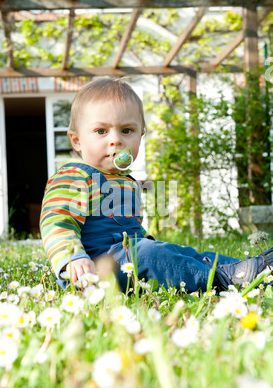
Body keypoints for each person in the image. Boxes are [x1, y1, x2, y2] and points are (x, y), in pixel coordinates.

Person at [40, 77, 273, 293]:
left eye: (127, 130)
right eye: (101, 131)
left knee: (180, 252)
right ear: (77, 140)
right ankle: (224, 279)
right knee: (149, 254)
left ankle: (252, 267)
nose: (116, 139)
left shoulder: (128, 183)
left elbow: (133, 231)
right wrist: (72, 258)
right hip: (94, 266)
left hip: (131, 257)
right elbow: (57, 220)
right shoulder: (74, 175)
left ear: (140, 136)